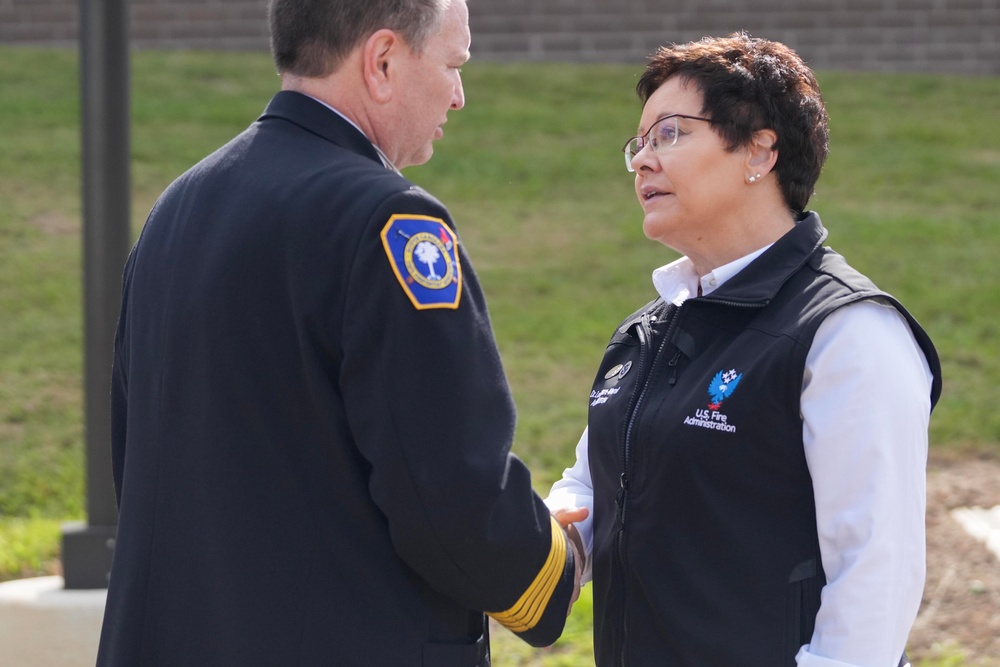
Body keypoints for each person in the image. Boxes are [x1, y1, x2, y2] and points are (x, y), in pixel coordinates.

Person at [96, 1, 582, 665]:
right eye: (453, 64)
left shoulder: (177, 207)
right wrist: (557, 567)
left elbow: (143, 464)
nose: (460, 95)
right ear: (382, 62)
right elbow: (448, 491)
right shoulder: (389, 220)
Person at [545, 32, 942, 667]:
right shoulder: (647, 330)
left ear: (759, 151)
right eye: (639, 143)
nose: (644, 160)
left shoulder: (849, 334)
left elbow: (876, 574)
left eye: (670, 133)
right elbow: (592, 489)